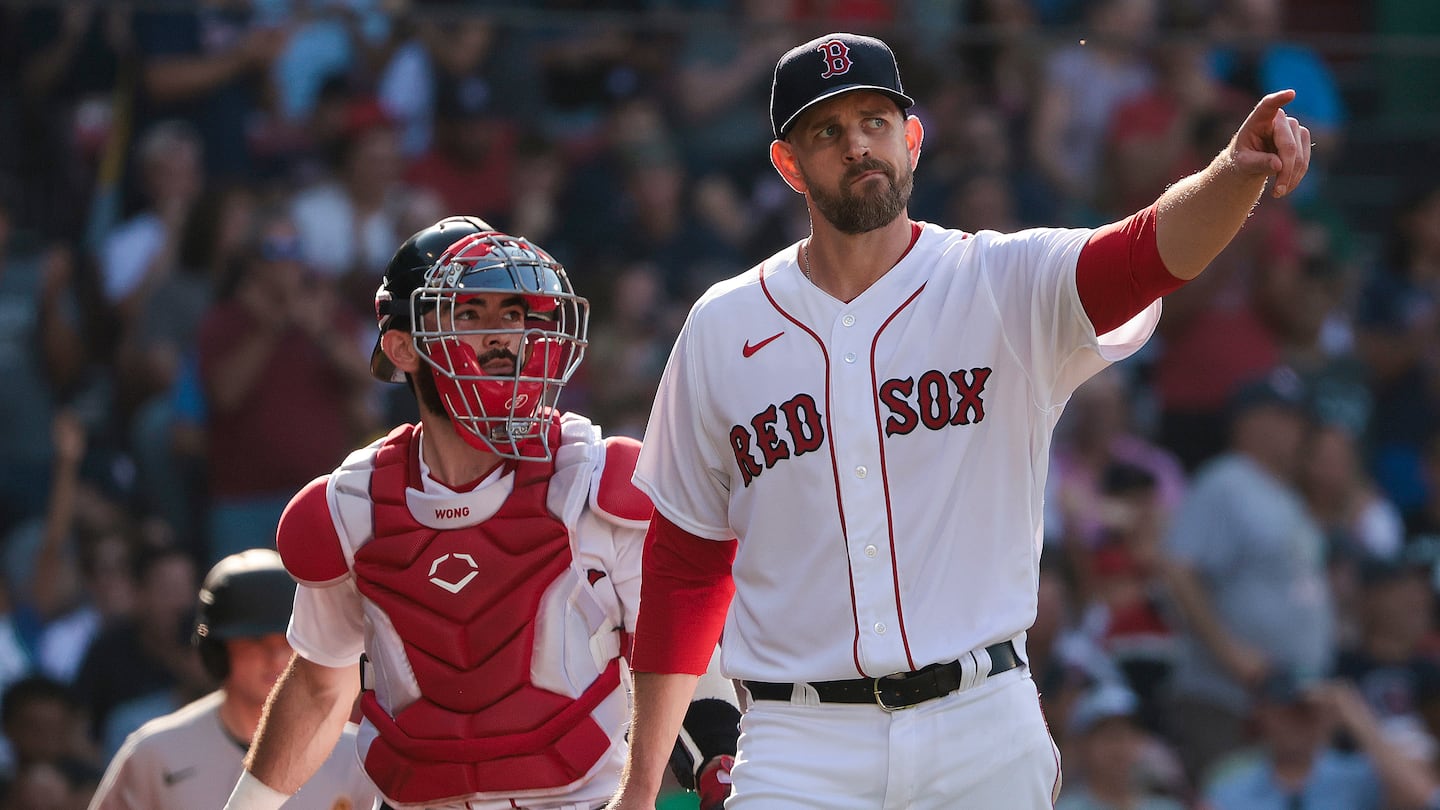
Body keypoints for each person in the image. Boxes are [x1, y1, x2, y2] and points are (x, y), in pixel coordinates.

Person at [610, 31, 1313, 809]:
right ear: (788, 164)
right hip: (797, 739)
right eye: (827, 131)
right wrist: (641, 786)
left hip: (982, 721)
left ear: (912, 140)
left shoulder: (1001, 281)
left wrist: (1230, 175)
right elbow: (684, 568)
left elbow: (1147, 253)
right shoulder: (721, 325)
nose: (857, 145)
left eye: (875, 122)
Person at [223, 217, 737, 810]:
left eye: (514, 315)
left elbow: (681, 655)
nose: (502, 337)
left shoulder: (595, 479)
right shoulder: (354, 506)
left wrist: (715, 766)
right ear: (402, 346)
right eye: (470, 314)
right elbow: (318, 687)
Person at [89, 548, 378, 810]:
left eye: (288, 640)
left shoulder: (358, 757)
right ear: (217, 650)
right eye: (254, 641)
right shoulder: (154, 753)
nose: (276, 657)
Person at [1161, 368, 1333, 786]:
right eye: (1284, 416)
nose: (1297, 429)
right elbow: (1178, 572)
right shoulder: (1226, 481)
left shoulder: (1285, 493)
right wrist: (1232, 653)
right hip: (1229, 701)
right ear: (1249, 421)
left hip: (1290, 707)